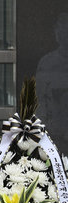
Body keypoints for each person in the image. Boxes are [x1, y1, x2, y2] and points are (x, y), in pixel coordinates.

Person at [36, 12, 68, 154]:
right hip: (55, 134)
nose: (62, 35)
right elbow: (40, 102)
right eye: (59, 30)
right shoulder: (47, 63)